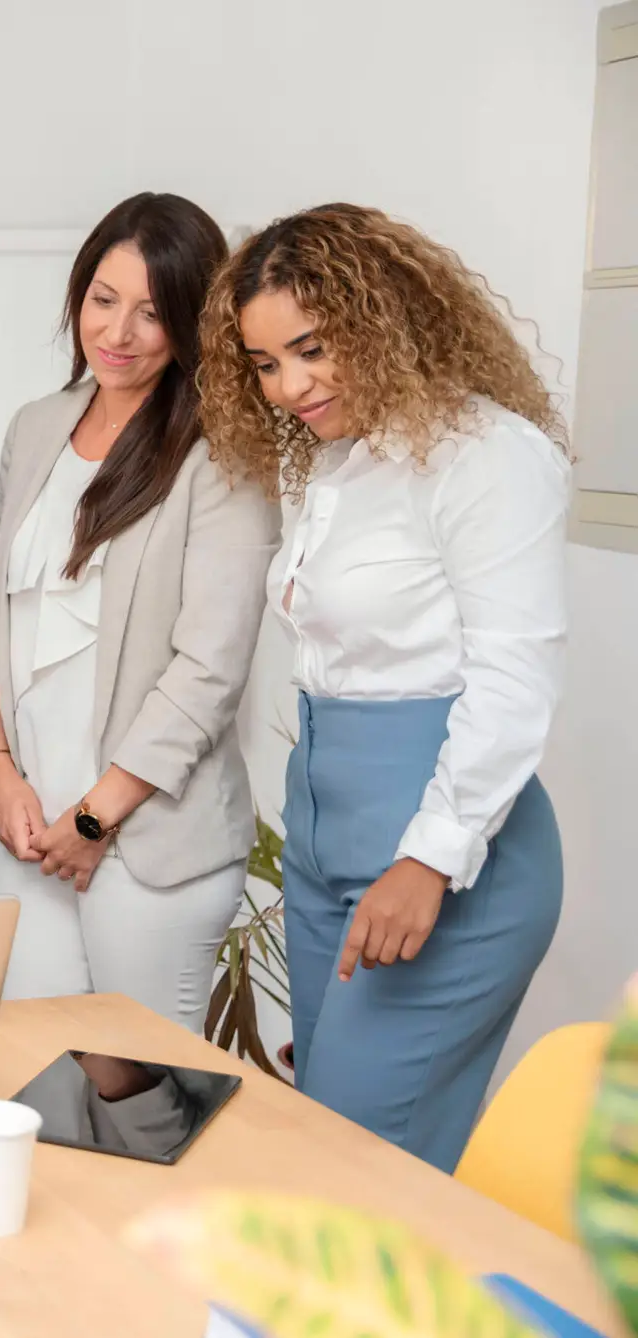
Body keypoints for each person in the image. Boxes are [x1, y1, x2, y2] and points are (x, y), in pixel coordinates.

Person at [198, 202, 568, 1172]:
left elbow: (513, 679)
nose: (291, 386)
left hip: (443, 865)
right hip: (328, 852)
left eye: (313, 349)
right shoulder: (337, 460)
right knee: (334, 1149)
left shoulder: (489, 456)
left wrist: (428, 861)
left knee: (360, 1174)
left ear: (384, 314)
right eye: (267, 364)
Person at [0, 194, 278, 1035]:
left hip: (148, 843)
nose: (120, 332)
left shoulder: (222, 453)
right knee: (29, 1076)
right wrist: (0, 771)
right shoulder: (36, 428)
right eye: (105, 299)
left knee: (139, 1093)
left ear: (191, 323)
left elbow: (210, 670)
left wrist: (98, 814)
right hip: (29, 828)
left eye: (152, 312)